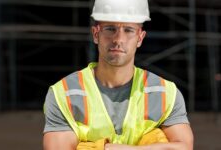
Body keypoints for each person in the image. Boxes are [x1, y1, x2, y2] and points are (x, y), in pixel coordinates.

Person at [43, 0, 194, 149]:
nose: (118, 39)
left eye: (128, 30)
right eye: (110, 29)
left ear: (140, 38)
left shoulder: (165, 94)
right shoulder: (64, 94)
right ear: (96, 34)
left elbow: (184, 147)